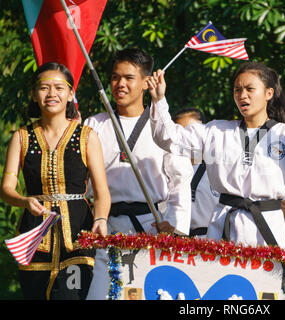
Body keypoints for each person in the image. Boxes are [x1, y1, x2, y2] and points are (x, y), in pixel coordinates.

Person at [147, 61, 285, 250]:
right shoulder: (217, 130)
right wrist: (158, 100)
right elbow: (169, 138)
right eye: (237, 90)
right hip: (225, 222)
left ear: (268, 93)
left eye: (250, 89)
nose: (243, 95)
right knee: (218, 280)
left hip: (268, 225)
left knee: (266, 282)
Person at [84, 48, 193, 299]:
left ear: (146, 82)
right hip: (106, 225)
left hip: (151, 225)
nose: (120, 84)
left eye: (128, 78)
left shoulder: (164, 128)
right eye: (114, 77)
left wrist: (175, 226)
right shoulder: (94, 125)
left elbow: (180, 180)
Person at [0, 62, 111, 300]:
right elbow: (6, 189)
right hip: (33, 237)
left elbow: (101, 192)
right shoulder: (21, 138)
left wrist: (101, 219)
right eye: (44, 88)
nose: (52, 94)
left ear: (71, 94)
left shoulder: (87, 136)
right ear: (34, 94)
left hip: (78, 237)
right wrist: (23, 201)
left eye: (59, 88)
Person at [173, 108, 219, 238]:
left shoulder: (218, 168)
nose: (186, 138)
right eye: (181, 133)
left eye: (191, 131)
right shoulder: (169, 169)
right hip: (176, 246)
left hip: (212, 243)